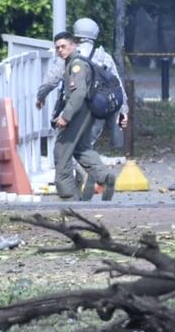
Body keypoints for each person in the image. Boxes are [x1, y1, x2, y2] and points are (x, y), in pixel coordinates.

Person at [39, 32, 119, 201]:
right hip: (86, 111)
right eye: (57, 48)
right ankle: (104, 176)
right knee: (81, 148)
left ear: (74, 45)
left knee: (62, 149)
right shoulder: (73, 63)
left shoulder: (76, 65)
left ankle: (68, 194)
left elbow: (79, 93)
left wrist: (65, 117)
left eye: (63, 46)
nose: (60, 50)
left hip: (78, 112)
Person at [36, 19, 128, 142]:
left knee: (65, 148)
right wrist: (124, 110)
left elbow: (51, 80)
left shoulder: (69, 54)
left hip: (72, 109)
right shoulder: (105, 57)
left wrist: (40, 96)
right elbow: (117, 86)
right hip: (96, 110)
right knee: (86, 147)